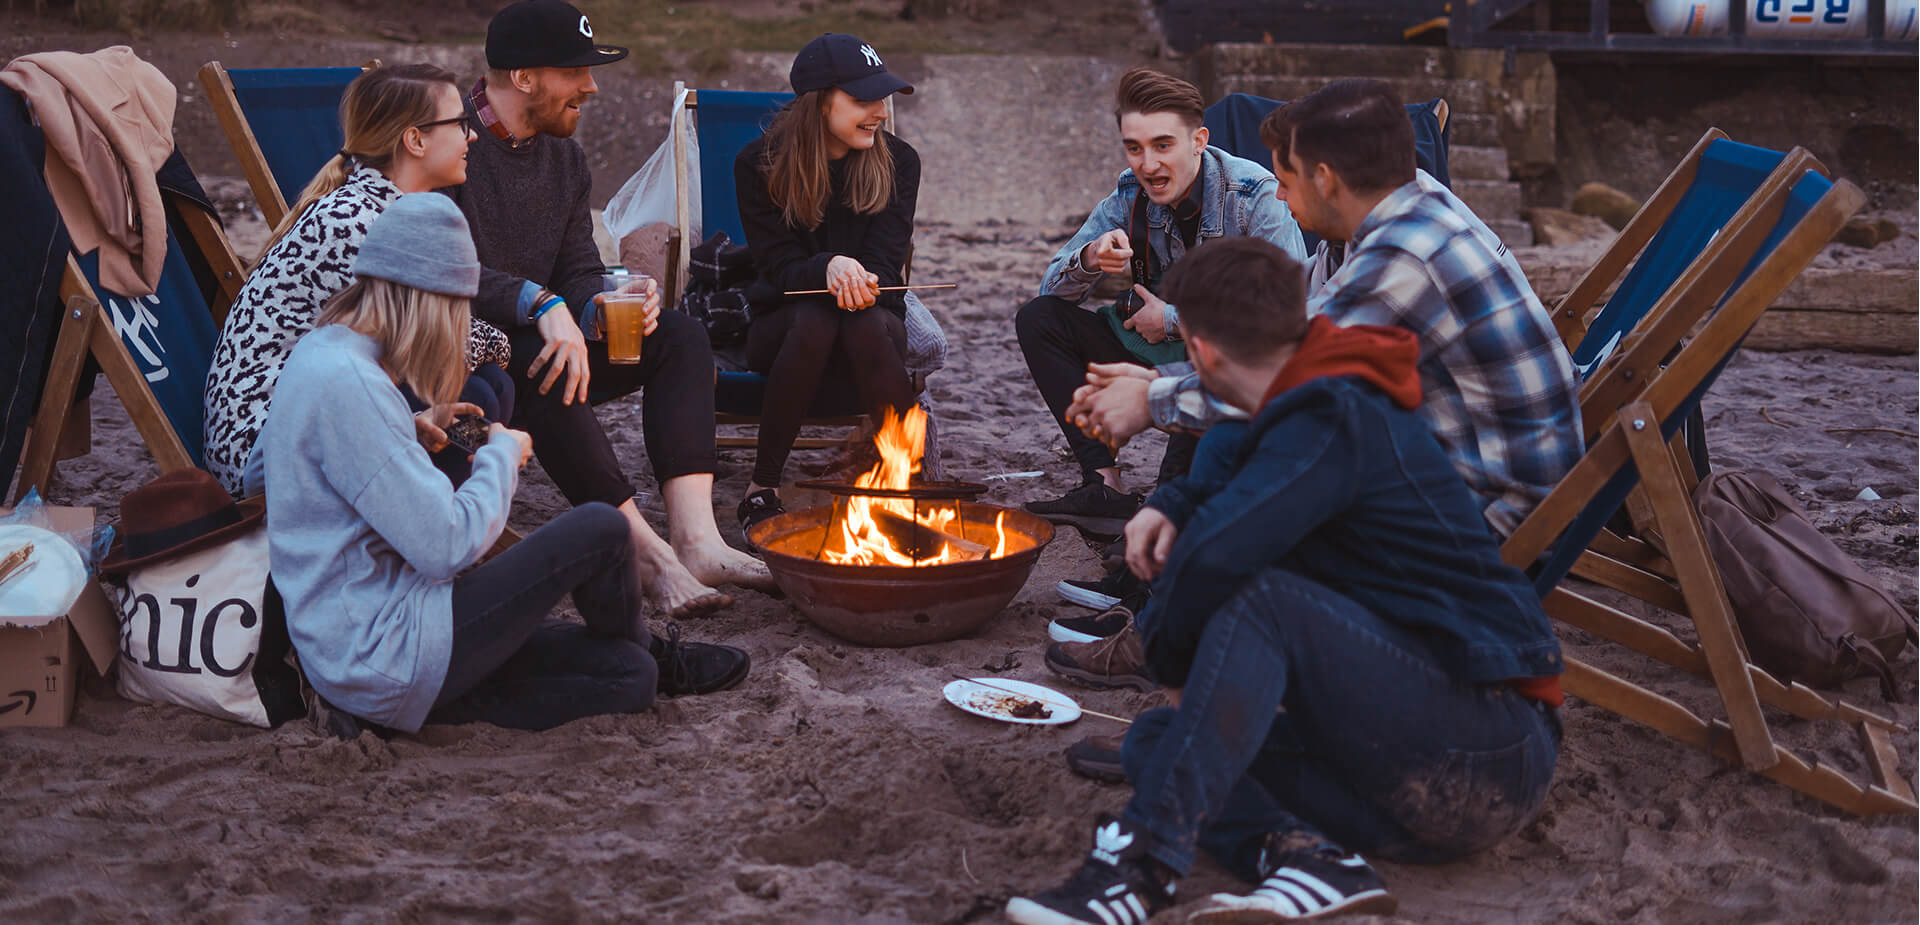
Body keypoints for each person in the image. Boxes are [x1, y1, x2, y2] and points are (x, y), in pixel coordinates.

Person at [1007, 237, 1563, 925]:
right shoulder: (1287, 393)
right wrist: (1171, 503)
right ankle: (1310, 858)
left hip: (1488, 751)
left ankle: (1139, 867)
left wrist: (1172, 658)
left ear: (1200, 354)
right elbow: (1224, 463)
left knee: (1260, 603)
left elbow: (1216, 559)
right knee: (1158, 741)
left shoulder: (1337, 410)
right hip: (1395, 781)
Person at [261, 194, 750, 737]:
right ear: (425, 297)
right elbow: (446, 547)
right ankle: (650, 647)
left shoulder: (324, 354)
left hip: (372, 649)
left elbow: (314, 473)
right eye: (455, 310)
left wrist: (408, 429)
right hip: (385, 648)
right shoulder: (350, 384)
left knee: (626, 678)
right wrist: (501, 455)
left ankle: (643, 658)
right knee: (601, 529)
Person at [443, 0, 771, 618]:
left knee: (678, 334)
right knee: (547, 363)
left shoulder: (563, 156)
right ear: (524, 77)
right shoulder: (448, 143)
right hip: (470, 355)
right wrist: (543, 305)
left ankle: (697, 540)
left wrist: (601, 299)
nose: (591, 87)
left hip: (551, 331)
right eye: (577, 72)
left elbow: (575, 262)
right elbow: (440, 267)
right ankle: (646, 556)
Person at [1014, 67, 1305, 539]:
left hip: (1226, 361)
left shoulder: (1253, 195)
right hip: (1151, 351)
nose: (1147, 165)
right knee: (1040, 319)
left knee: (1177, 486)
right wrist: (1091, 257)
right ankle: (1104, 485)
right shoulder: (1129, 194)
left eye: (1162, 145)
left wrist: (1170, 319)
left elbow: (1290, 312)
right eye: (1135, 148)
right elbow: (1052, 287)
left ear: (1198, 140)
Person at [203, 64, 515, 497]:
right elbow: (435, 347)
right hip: (265, 453)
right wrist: (504, 336)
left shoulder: (372, 207)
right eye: (460, 123)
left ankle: (434, 513)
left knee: (486, 388)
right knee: (477, 387)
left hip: (309, 417)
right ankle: (427, 523)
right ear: (415, 139)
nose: (472, 135)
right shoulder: (356, 224)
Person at [731, 33, 919, 529]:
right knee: (816, 317)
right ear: (819, 103)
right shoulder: (758, 165)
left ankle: (906, 482)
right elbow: (780, 268)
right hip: (785, 330)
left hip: (873, 329)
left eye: (882, 97)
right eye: (863, 99)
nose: (880, 111)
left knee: (860, 320)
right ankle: (763, 485)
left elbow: (885, 260)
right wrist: (829, 266)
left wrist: (858, 278)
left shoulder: (899, 163)